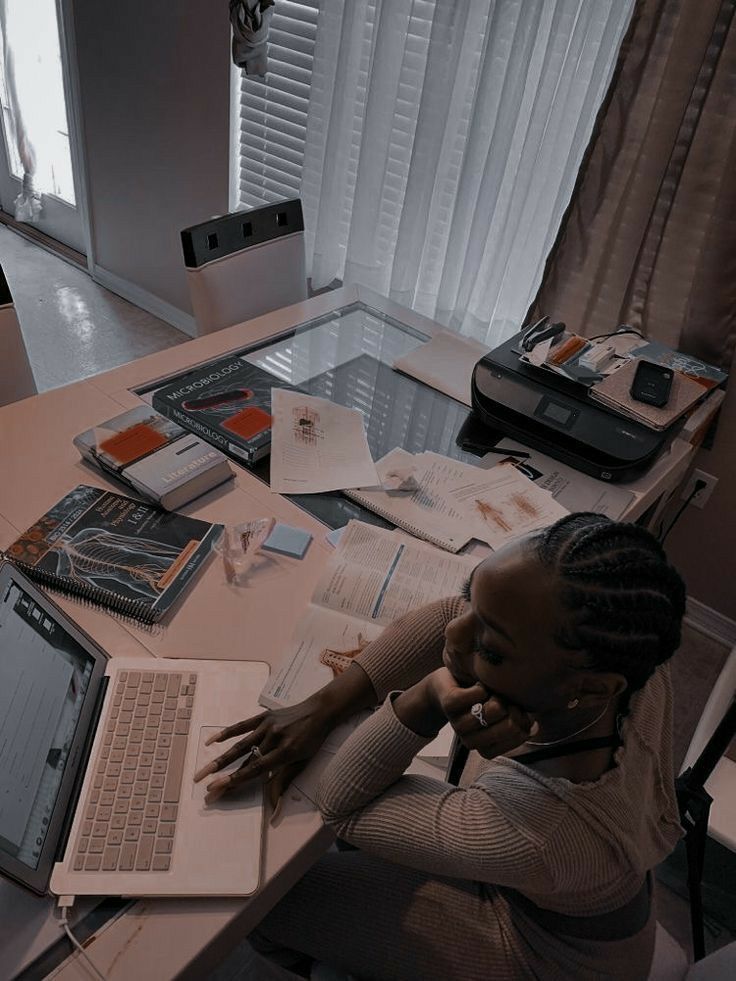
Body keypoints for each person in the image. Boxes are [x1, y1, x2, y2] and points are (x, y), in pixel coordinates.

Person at [195, 513, 687, 980]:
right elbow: (453, 617)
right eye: (471, 598)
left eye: (491, 649)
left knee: (267, 902)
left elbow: (342, 807)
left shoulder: (536, 831)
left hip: (543, 955)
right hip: (573, 895)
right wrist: (322, 706)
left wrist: (428, 696)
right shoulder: (632, 659)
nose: (455, 632)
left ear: (596, 687)